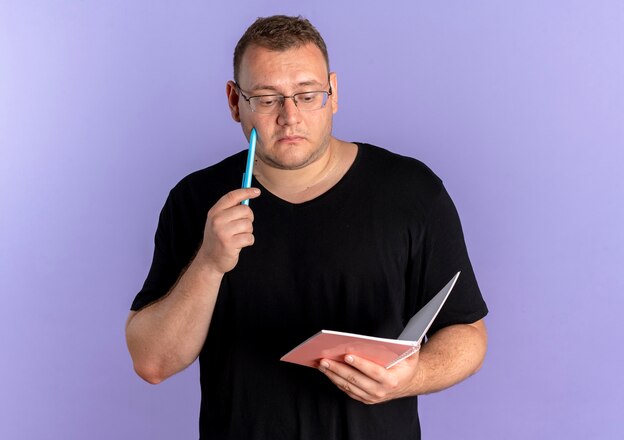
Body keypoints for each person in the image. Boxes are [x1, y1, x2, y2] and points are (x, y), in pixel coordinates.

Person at [126, 15, 488, 440]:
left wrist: (412, 377)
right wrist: (209, 263)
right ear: (233, 101)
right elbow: (152, 362)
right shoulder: (195, 200)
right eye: (265, 98)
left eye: (307, 94)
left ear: (333, 93)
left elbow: (468, 333)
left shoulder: (412, 191)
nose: (289, 117)